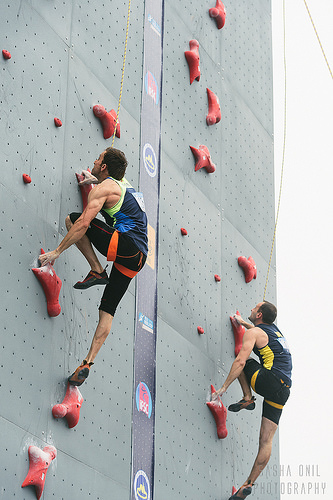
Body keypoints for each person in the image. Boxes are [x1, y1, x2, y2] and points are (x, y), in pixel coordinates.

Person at [39, 147, 148, 385]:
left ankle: (97, 270)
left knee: (72, 220)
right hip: (138, 259)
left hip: (127, 247)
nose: (95, 161)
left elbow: (83, 224)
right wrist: (94, 180)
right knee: (107, 310)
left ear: (105, 167)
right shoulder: (121, 184)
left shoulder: (106, 188)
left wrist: (57, 251)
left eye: (98, 159)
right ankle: (87, 362)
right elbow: (113, 195)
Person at [212, 301, 292, 500]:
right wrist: (244, 323)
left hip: (269, 380)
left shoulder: (254, 333)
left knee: (244, 361)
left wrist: (223, 388)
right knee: (266, 440)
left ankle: (247, 397)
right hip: (284, 389)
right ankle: (247, 485)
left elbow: (240, 361)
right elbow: (259, 332)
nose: (251, 309)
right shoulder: (274, 332)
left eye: (254, 308)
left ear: (259, 315)